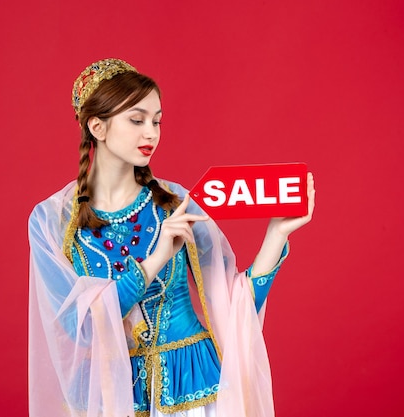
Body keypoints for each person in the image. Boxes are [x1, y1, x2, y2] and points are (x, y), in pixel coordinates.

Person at [28, 58, 316, 417]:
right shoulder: (52, 220)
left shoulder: (178, 203)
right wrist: (155, 260)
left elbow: (235, 306)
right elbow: (76, 327)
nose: (151, 133)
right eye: (136, 120)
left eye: (156, 121)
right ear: (97, 127)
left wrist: (276, 235)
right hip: (109, 397)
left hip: (195, 391)